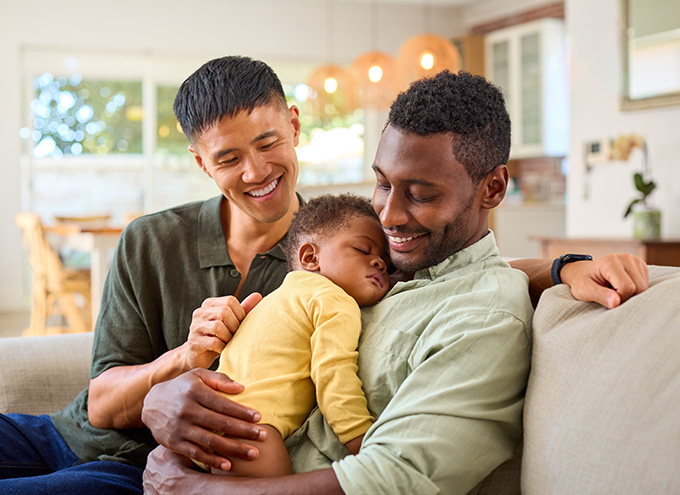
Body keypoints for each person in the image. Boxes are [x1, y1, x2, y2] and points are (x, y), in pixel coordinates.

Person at [0, 56, 648, 495]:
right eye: (228, 157)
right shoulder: (162, 239)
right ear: (201, 162)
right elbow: (105, 398)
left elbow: (465, 278)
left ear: (294, 127)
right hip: (76, 433)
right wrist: (177, 368)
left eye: (267, 143)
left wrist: (558, 267)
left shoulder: (347, 252)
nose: (256, 171)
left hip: (155, 468)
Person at [193, 193, 389, 477]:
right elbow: (333, 373)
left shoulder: (277, 299)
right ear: (310, 257)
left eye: (385, 261)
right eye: (363, 250)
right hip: (251, 431)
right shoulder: (332, 300)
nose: (379, 263)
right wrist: (360, 438)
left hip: (204, 422)